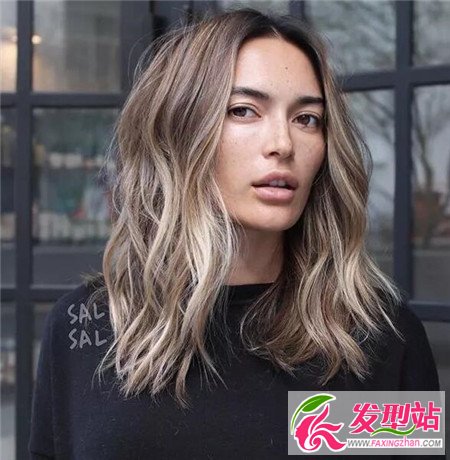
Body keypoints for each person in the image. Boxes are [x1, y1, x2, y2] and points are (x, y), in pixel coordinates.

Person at [29, 8, 443, 460]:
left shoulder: (380, 338)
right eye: (243, 110)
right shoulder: (83, 327)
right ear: (181, 131)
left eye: (307, 118)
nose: (282, 143)